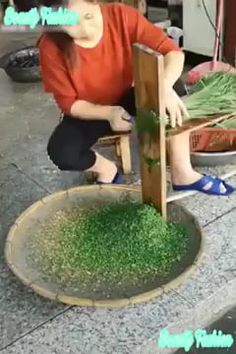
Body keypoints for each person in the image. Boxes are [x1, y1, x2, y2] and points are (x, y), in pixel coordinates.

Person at [38, 0, 233, 195]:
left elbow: (172, 52)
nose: (85, 28)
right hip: (91, 108)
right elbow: (69, 103)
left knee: (175, 88)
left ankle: (183, 173)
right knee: (61, 152)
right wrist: (110, 113)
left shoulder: (120, 16)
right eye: (71, 23)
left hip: (129, 92)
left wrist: (163, 87)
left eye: (88, 16)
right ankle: (106, 169)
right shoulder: (51, 45)